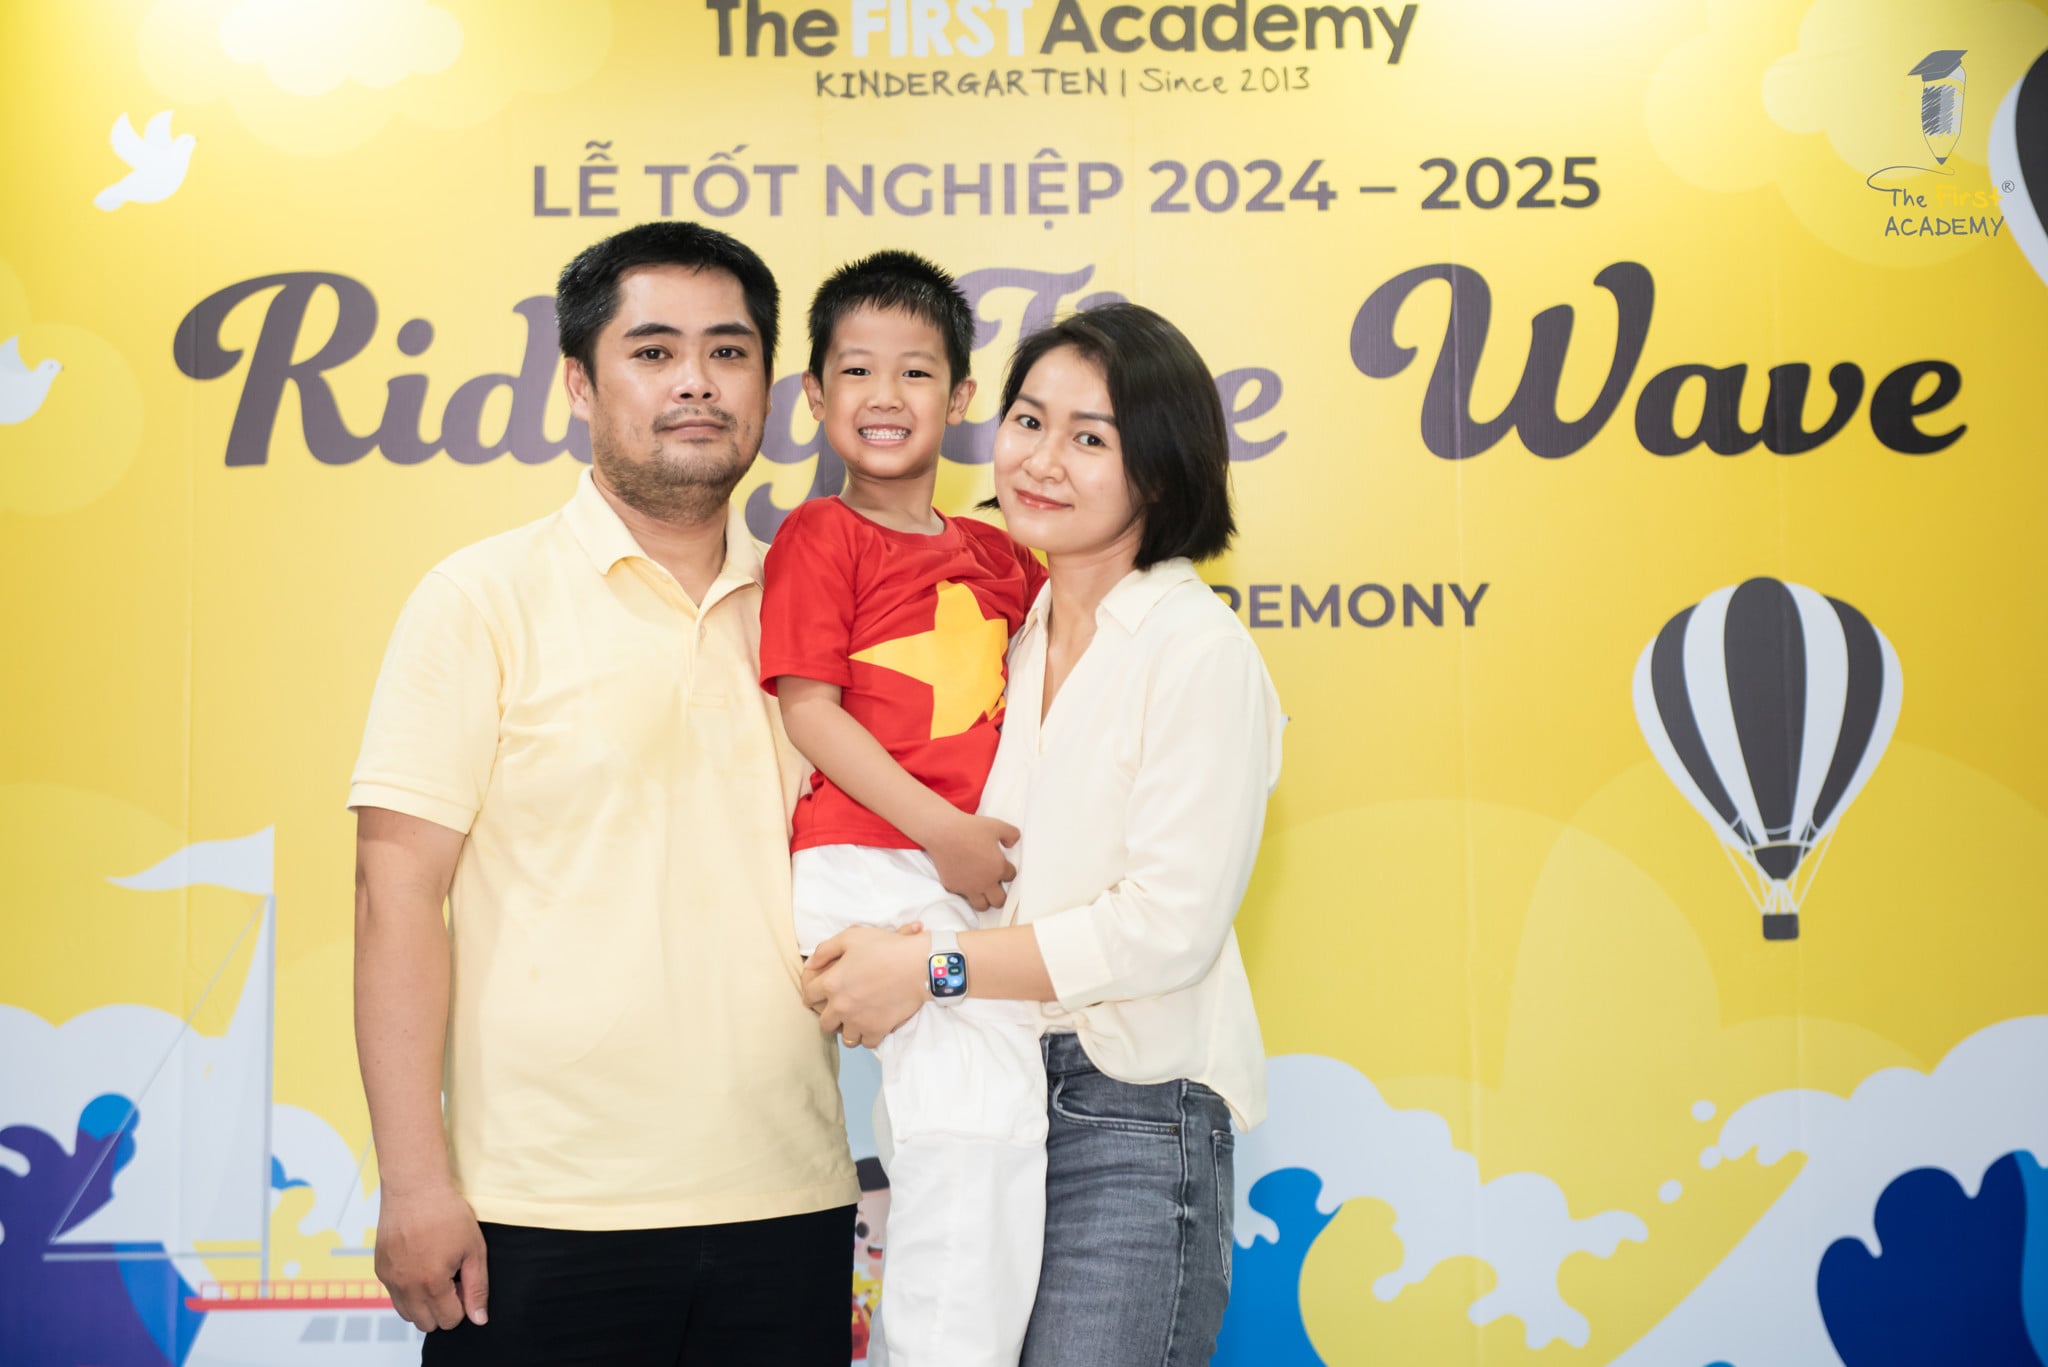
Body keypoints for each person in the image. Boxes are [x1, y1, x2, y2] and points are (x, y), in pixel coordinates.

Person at [350, 221, 857, 1366]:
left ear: (769, 386)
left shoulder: (821, 610)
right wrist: (414, 1178)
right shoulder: (480, 597)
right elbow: (395, 895)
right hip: (537, 1212)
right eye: (654, 350)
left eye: (728, 352)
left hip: (788, 1197)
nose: (696, 381)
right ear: (578, 382)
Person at [803, 301, 1284, 1367]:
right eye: (1028, 420)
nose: (1041, 459)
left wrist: (927, 967)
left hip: (1133, 1117)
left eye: (1090, 437)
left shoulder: (1195, 649)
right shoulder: (1011, 636)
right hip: (1002, 1085)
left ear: (1159, 470)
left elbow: (1166, 929)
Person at [760, 250, 1049, 1367]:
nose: (885, 395)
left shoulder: (998, 554)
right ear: (814, 395)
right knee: (969, 1126)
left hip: (958, 876)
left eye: (916, 371)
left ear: (962, 396)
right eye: (856, 371)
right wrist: (943, 833)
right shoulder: (819, 535)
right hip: (872, 862)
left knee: (977, 1130)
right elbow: (810, 710)